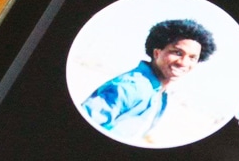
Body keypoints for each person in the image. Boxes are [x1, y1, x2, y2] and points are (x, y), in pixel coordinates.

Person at [81, 19, 216, 142]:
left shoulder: (160, 94)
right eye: (177, 53)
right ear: (157, 53)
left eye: (192, 58)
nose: (183, 62)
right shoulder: (131, 87)